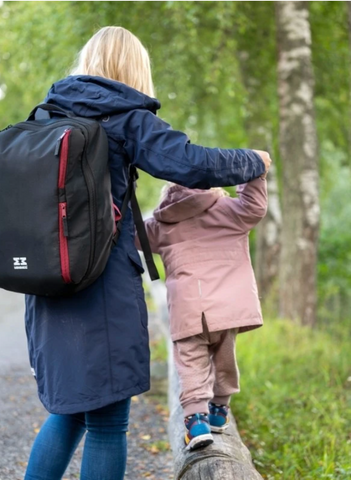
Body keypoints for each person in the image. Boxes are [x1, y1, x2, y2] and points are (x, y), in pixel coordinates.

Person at [23, 26, 271, 480]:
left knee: (69, 409)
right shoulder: (125, 116)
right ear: (134, 69)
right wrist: (254, 161)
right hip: (101, 284)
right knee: (106, 421)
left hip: (47, 282)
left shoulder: (45, 114)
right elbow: (191, 164)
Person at [139, 177, 268, 450]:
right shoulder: (229, 211)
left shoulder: (163, 224)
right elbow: (255, 207)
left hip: (188, 309)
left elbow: (131, 233)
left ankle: (196, 422)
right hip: (228, 307)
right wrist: (253, 173)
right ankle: (219, 411)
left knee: (191, 364)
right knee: (225, 357)